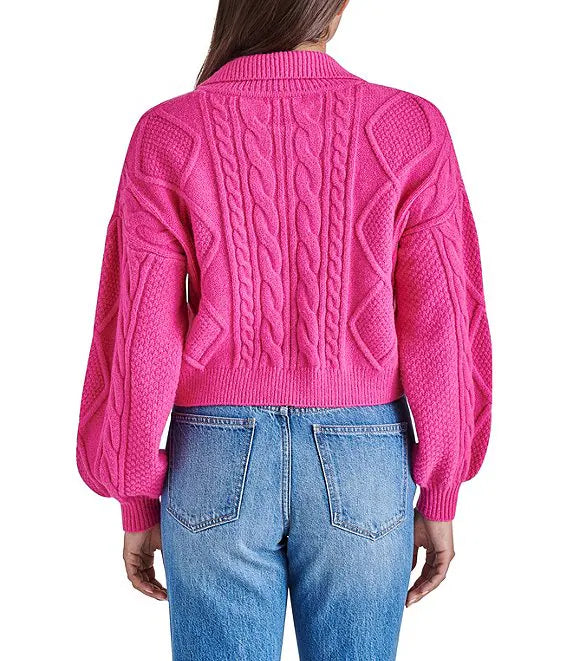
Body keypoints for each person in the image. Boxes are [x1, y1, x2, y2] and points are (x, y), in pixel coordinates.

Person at [76, 0, 492, 658]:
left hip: (213, 457)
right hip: (364, 457)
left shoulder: (170, 131)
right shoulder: (408, 128)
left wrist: (136, 492)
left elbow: (140, 331)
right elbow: (441, 324)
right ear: (337, 6)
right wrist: (441, 489)